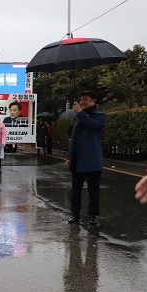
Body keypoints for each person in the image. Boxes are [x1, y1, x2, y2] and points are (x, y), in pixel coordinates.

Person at [66, 90, 106, 225]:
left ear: (93, 101)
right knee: (75, 191)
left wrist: (80, 113)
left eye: (85, 100)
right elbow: (74, 139)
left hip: (92, 160)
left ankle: (92, 216)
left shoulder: (99, 116)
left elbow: (93, 125)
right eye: (81, 100)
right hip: (77, 160)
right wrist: (69, 156)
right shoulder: (79, 117)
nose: (82, 102)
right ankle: (74, 214)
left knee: (93, 191)